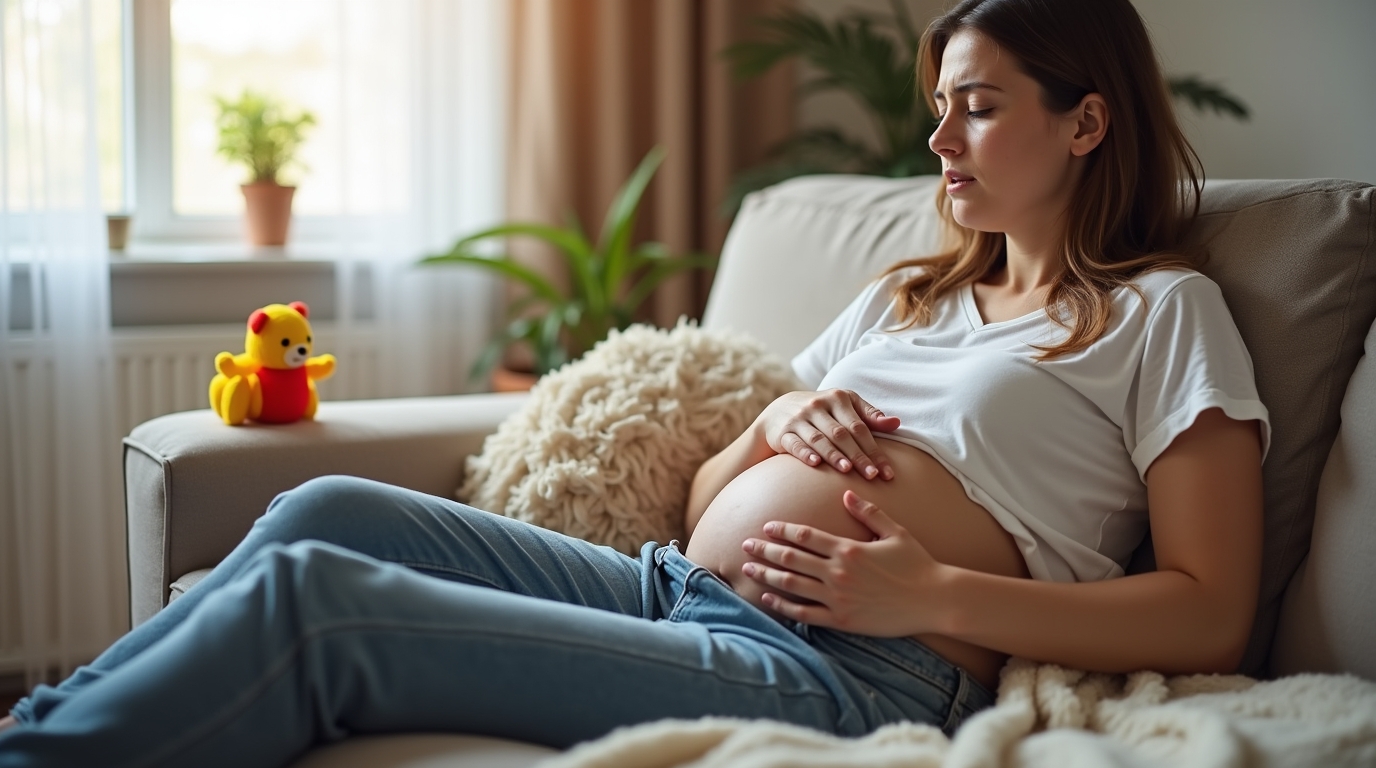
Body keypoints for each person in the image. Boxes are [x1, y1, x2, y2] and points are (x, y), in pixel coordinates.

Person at [0, 0, 1270, 765]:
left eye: (977, 108)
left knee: (320, 607)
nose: (935, 141)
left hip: (859, 672)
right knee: (326, 508)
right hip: (679, 589)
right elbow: (714, 488)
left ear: (1086, 121)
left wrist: (937, 592)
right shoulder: (906, 294)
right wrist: (775, 417)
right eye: (938, 107)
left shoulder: (1160, 314)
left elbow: (1209, 609)